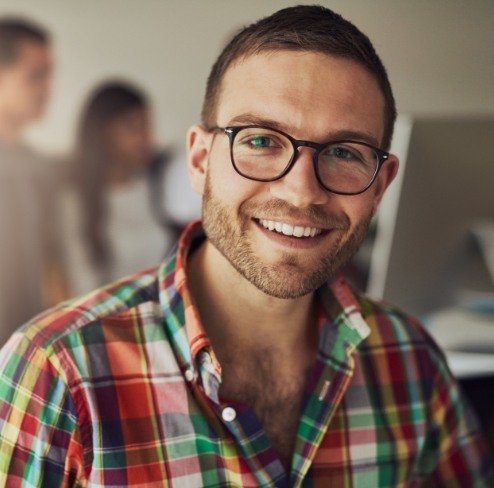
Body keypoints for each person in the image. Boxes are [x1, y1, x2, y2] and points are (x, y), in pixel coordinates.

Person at [0, 5, 492, 486]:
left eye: (344, 152)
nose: (301, 192)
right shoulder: (58, 372)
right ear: (199, 160)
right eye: (260, 141)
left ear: (380, 185)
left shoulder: (411, 360)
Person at [62, 81, 179, 296]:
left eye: (147, 126)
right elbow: (82, 285)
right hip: (109, 320)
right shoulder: (76, 203)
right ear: (103, 134)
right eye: (133, 127)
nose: (146, 138)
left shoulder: (157, 186)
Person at [0, 17, 60, 346]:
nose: (48, 89)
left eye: (49, 76)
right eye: (36, 76)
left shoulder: (40, 169)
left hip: (24, 355)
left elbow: (52, 263)